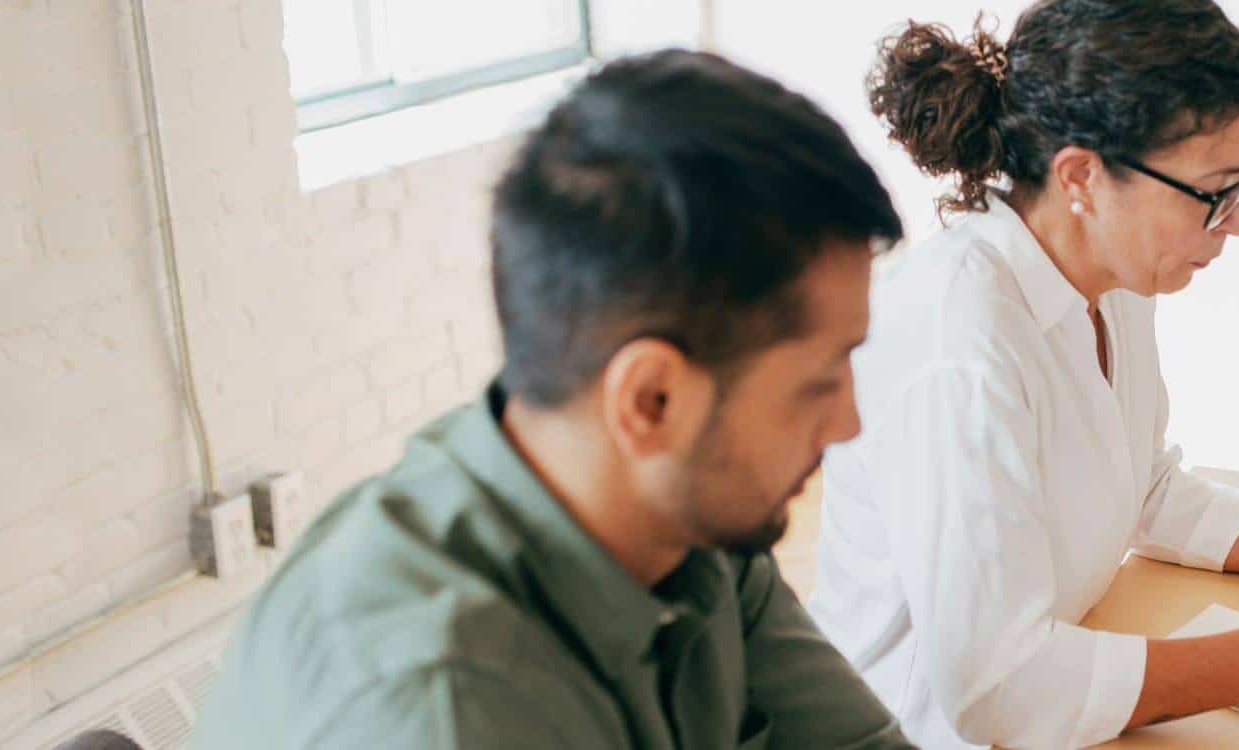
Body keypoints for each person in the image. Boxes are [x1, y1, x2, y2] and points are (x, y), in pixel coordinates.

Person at [808, 2, 1239, 747]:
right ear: (1082, 176)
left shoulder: (1112, 281)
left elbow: (1145, 486)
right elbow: (997, 688)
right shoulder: (961, 340)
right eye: (1214, 191)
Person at [195, 50, 916, 749]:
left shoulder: (695, 524)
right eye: (821, 380)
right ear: (652, 401)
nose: (849, 423)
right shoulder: (441, 708)